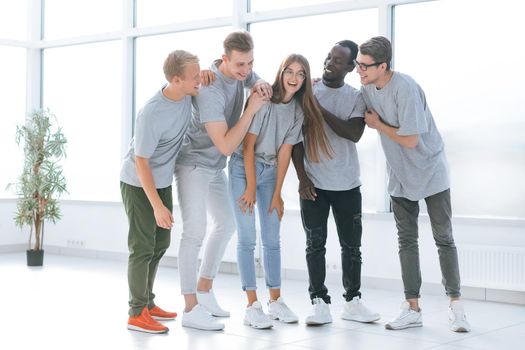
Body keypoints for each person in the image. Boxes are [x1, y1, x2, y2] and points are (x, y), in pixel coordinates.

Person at [357, 36, 471, 332]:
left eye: (365, 66)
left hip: (431, 171)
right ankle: (412, 308)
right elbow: (348, 101)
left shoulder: (405, 88)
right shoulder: (366, 87)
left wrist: (378, 125)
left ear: (383, 66)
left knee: (444, 238)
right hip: (400, 175)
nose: (359, 70)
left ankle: (457, 307)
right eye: (358, 64)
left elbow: (410, 140)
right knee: (406, 241)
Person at [175, 31, 271, 331]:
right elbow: (227, 147)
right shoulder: (209, 89)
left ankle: (204, 291)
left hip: (214, 167)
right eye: (240, 64)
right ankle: (190, 308)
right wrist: (251, 109)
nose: (245, 70)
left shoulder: (242, 72)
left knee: (226, 223)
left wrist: (260, 83)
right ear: (224, 58)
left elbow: (257, 80)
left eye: (250, 63)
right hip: (193, 163)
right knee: (194, 232)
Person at [229, 53, 327, 329]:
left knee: (272, 237)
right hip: (242, 168)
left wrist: (277, 193)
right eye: (290, 71)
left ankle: (275, 300)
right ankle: (252, 305)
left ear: (305, 79)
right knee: (247, 237)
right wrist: (249, 186)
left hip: (270, 171)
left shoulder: (297, 110)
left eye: (300, 74)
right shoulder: (265, 99)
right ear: (281, 72)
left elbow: (285, 153)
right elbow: (248, 146)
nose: (294, 78)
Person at [291, 41, 380, 326]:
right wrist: (302, 178)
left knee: (352, 247)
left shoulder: (356, 97)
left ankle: (352, 302)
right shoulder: (308, 92)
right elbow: (295, 140)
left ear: (351, 67)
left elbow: (353, 133)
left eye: (338, 60)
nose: (330, 63)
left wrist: (319, 109)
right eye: (329, 57)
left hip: (347, 185)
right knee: (314, 245)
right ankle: (319, 302)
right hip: (314, 184)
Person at [120, 50, 201, 334]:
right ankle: (136, 312)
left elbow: (211, 74)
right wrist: (156, 205)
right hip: (138, 182)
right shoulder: (152, 111)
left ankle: (148, 303)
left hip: (162, 180)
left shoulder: (187, 93)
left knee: (160, 243)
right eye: (194, 77)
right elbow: (141, 161)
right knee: (142, 247)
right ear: (176, 79)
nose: (199, 80)